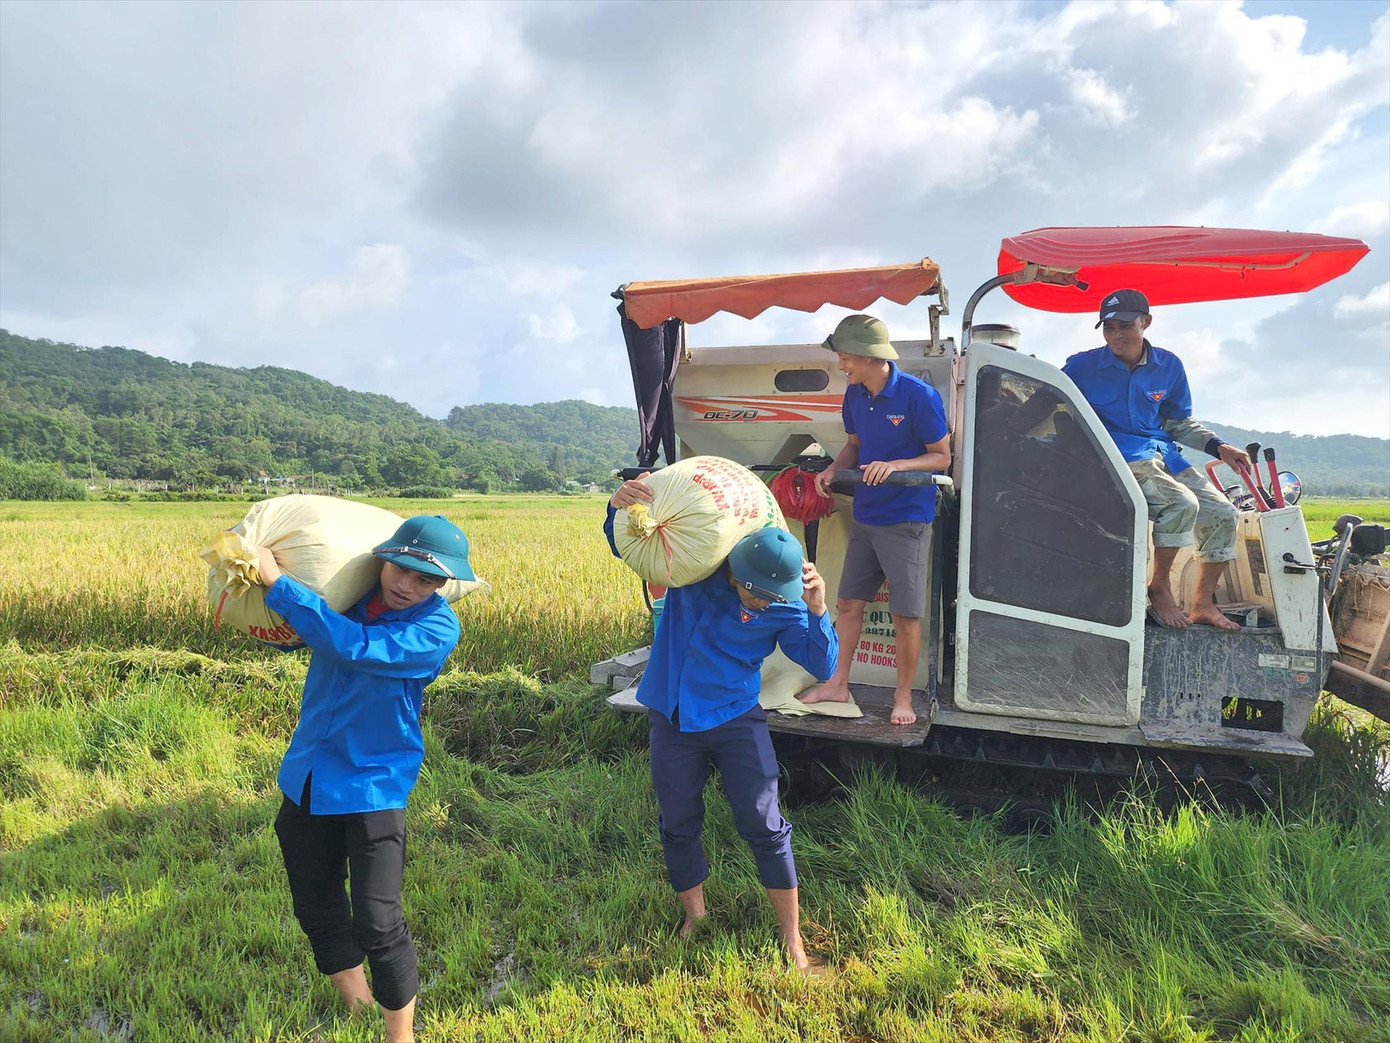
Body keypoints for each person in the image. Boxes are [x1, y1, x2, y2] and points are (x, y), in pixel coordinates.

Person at [255, 515, 472, 1043]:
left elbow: (353, 647)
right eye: (399, 567)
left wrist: (280, 588)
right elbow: (293, 639)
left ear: (442, 585)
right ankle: (356, 1005)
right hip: (308, 772)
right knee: (315, 902)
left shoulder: (436, 628)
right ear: (382, 560)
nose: (406, 584)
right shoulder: (346, 599)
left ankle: (401, 1035)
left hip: (374, 781)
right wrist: (273, 592)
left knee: (377, 919)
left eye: (426, 579)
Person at [606, 477, 836, 972]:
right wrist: (616, 507)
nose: (763, 605)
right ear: (732, 571)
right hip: (672, 716)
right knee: (678, 819)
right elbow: (630, 544)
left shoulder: (785, 601)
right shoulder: (692, 570)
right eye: (755, 595)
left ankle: (792, 940)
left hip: (735, 718)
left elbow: (822, 664)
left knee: (764, 823)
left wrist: (818, 612)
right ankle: (696, 917)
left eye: (775, 599)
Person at [1063, 289, 1249, 630]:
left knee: (1224, 514)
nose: (1116, 335)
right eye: (1108, 327)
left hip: (1163, 455)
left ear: (1145, 322)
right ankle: (1159, 586)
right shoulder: (1081, 366)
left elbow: (1178, 423)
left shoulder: (1169, 365)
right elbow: (1052, 405)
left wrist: (1219, 447)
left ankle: (1202, 605)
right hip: (1116, 456)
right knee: (1181, 503)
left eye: (1124, 326)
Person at [798, 314, 951, 726]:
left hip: (907, 519)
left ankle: (903, 697)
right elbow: (854, 445)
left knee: (905, 615)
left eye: (845, 358)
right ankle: (838, 683)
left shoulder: (919, 396)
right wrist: (832, 469)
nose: (841, 366)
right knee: (848, 603)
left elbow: (942, 456)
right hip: (866, 515)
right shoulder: (855, 393)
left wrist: (896, 465)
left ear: (871, 357)